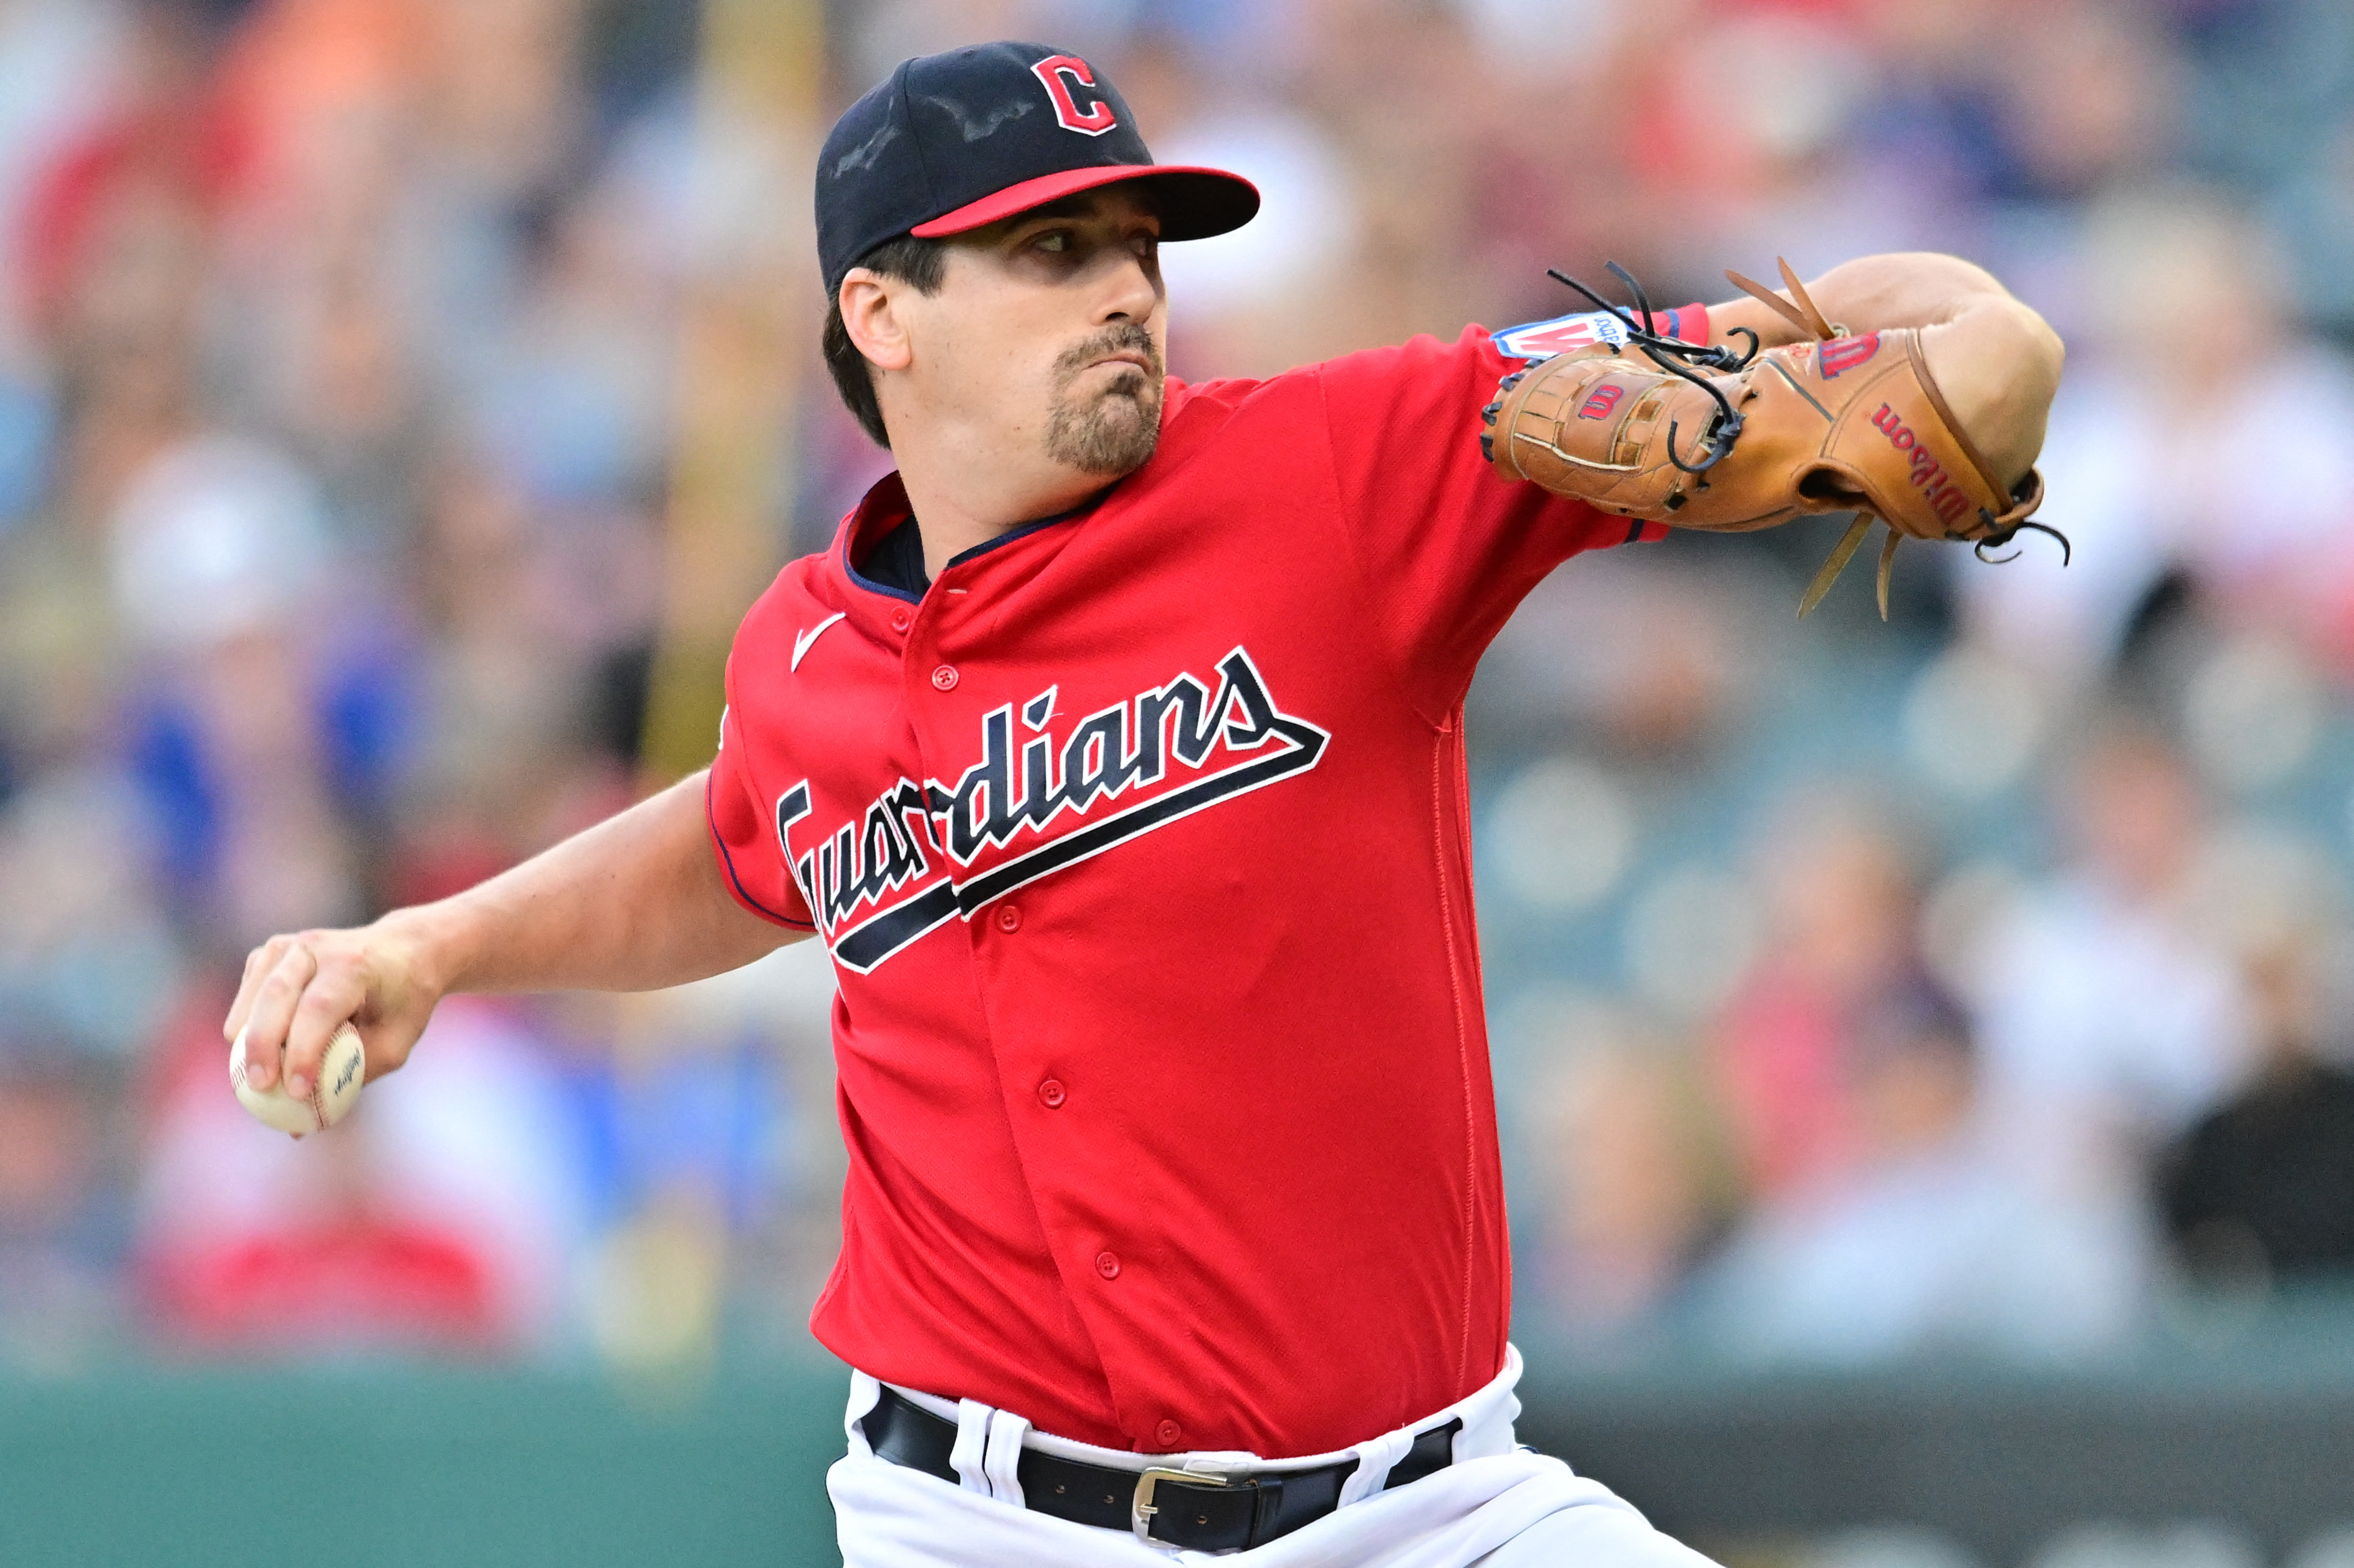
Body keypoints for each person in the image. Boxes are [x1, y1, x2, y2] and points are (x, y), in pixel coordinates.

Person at [222, 41, 2061, 1567]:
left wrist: (1958, 341)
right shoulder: (807, 661)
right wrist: (435, 945)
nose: (1123, 286)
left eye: (1141, 247)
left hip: (1424, 1514)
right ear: (883, 312)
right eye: (1052, 249)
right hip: (982, 1521)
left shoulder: (1351, 465)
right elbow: (741, 839)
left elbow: (1898, 343)